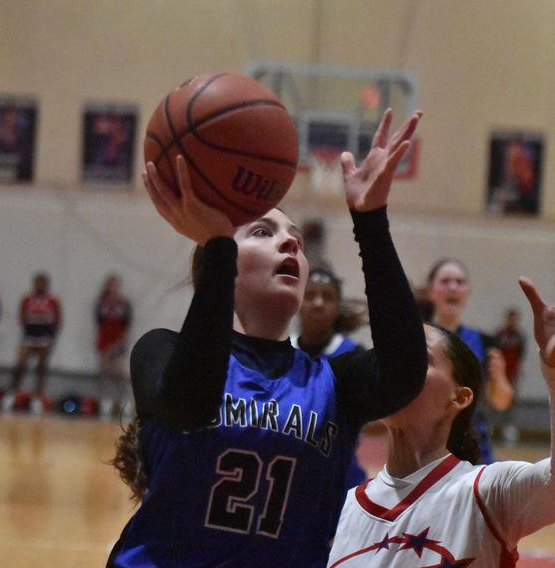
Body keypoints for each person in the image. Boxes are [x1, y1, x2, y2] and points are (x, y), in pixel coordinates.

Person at [109, 109, 426, 567]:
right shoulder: (161, 350)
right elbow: (190, 402)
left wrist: (371, 221)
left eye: (295, 237)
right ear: (220, 264)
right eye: (263, 231)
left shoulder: (334, 381)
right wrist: (218, 246)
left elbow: (405, 373)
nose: (290, 243)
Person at [328, 260, 555, 567]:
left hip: (472, 457)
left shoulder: (487, 491)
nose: (400, 368)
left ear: (461, 396)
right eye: (394, 357)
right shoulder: (347, 506)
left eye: (419, 359)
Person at [425, 258, 513, 463]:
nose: (453, 287)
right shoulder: (415, 339)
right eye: (445, 281)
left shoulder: (485, 342)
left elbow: (501, 402)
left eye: (459, 281)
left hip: (474, 453)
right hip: (423, 453)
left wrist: (499, 378)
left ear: (467, 292)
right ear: (431, 291)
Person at [291, 266, 368, 489]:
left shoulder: (354, 355)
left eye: (327, 296)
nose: (318, 302)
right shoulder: (282, 350)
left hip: (339, 476)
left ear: (337, 307)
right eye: (310, 295)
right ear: (298, 302)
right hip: (290, 469)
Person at [3, 272, 62, 415]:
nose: (40, 286)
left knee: (41, 367)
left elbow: (58, 320)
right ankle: (12, 393)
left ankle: (37, 397)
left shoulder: (52, 300)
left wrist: (51, 338)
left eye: (43, 283)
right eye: (38, 283)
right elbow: (22, 316)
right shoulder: (27, 299)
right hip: (29, 335)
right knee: (20, 364)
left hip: (45, 337)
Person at [95, 274, 132, 418]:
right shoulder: (101, 303)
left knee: (120, 372)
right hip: (105, 341)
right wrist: (105, 345)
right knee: (104, 372)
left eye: (116, 286)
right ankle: (106, 401)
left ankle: (126, 401)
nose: (114, 289)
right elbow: (99, 323)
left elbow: (126, 325)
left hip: (119, 342)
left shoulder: (124, 304)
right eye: (111, 286)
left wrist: (118, 344)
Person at [494, 308, 525, 444]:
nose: (512, 321)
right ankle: (491, 427)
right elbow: (495, 350)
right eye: (510, 318)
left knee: (511, 402)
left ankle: (509, 429)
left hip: (512, 374)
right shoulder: (500, 334)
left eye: (515, 319)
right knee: (494, 401)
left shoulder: (520, 336)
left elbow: (521, 355)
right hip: (500, 374)